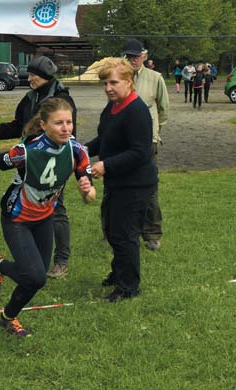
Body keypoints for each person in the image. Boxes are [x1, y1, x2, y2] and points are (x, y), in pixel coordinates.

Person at [0, 98, 94, 336]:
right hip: (16, 217)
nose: (66, 128)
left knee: (36, 278)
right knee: (36, 276)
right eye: (59, 123)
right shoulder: (27, 151)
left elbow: (90, 196)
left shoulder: (78, 151)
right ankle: (0, 266)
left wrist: (87, 190)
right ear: (43, 124)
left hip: (44, 217)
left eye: (69, 122)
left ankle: (8, 316)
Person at [0, 55, 77, 279]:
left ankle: (61, 260)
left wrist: (74, 170)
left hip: (53, 163)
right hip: (29, 162)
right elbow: (19, 126)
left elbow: (70, 135)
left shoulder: (61, 100)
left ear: (44, 76)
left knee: (57, 209)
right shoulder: (31, 97)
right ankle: (27, 249)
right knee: (28, 202)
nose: (28, 78)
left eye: (33, 75)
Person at [85, 57, 157, 302]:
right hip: (117, 182)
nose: (108, 88)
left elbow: (140, 152)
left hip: (136, 184)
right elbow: (104, 139)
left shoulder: (136, 111)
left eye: (114, 82)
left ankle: (128, 287)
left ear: (129, 82)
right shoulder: (112, 107)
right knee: (114, 231)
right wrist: (82, 150)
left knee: (125, 235)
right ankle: (119, 273)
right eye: (105, 83)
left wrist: (106, 165)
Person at [121, 39, 168, 251]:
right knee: (117, 187)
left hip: (148, 142)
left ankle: (152, 233)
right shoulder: (119, 77)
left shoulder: (155, 78)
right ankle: (114, 229)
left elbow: (163, 109)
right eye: (128, 56)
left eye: (136, 56)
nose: (132, 60)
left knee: (149, 188)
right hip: (122, 141)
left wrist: (154, 131)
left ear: (144, 56)